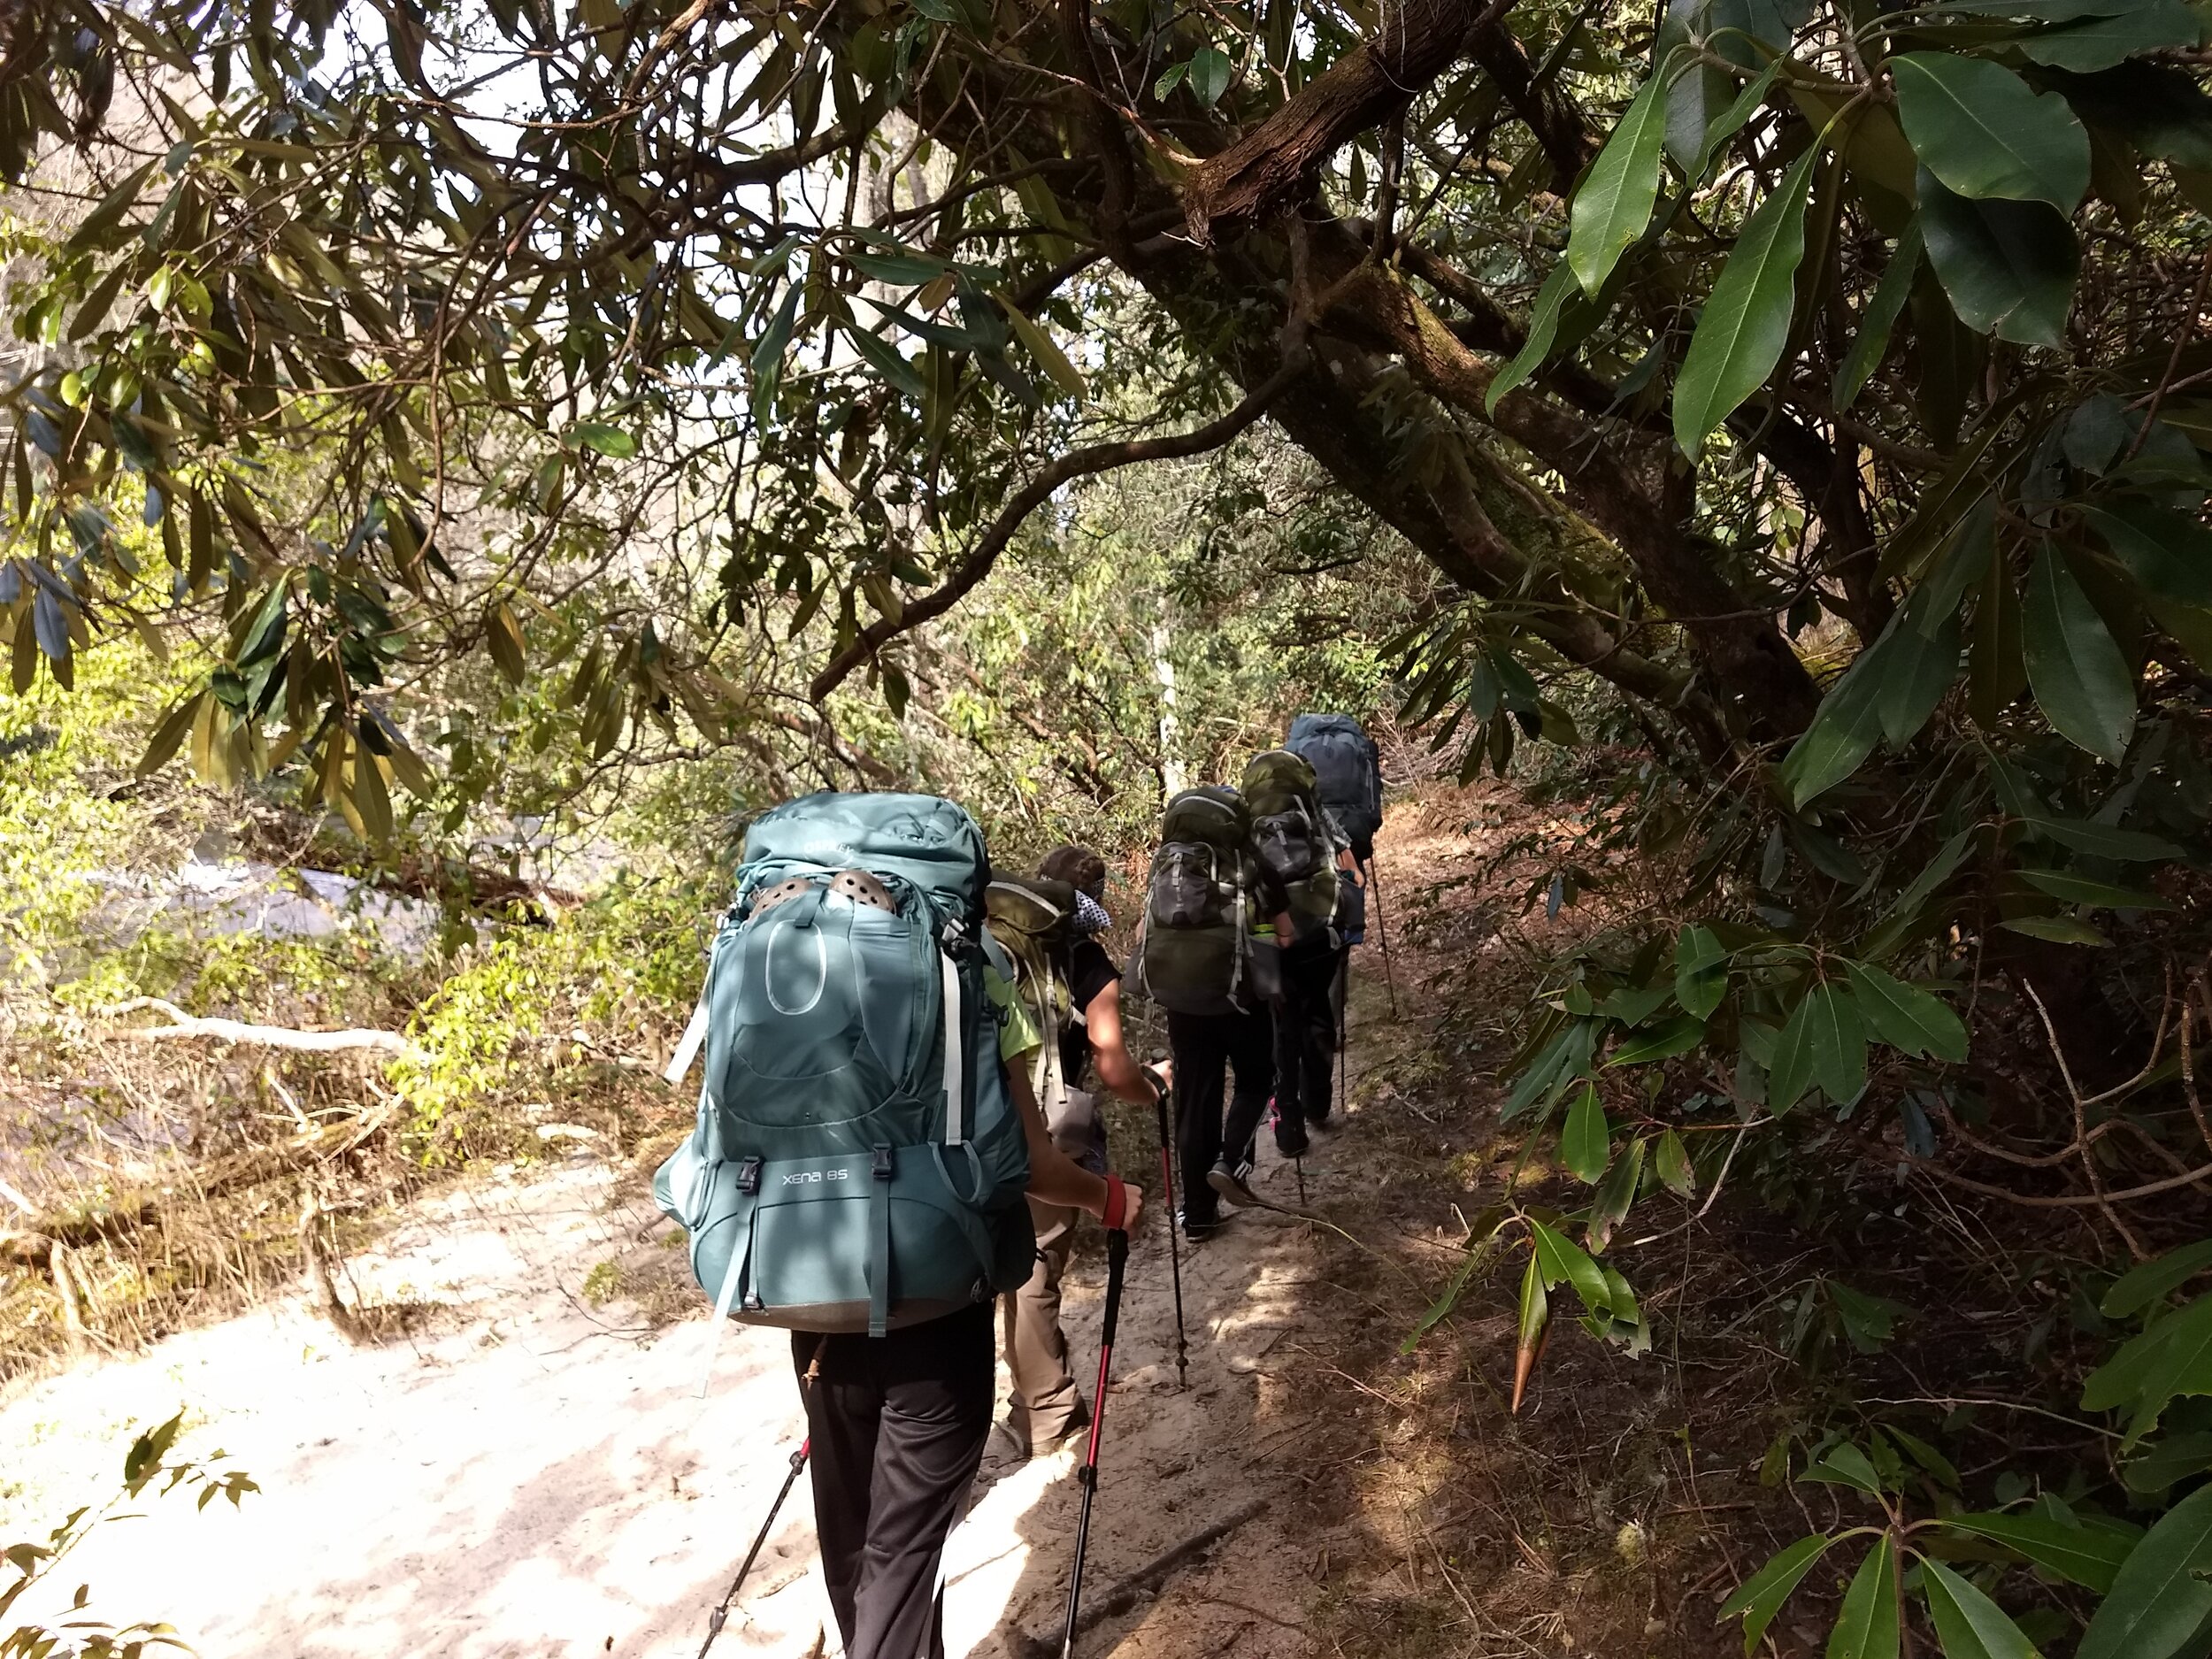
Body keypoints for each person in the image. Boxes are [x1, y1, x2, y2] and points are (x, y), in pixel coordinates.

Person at [794, 935, 1143, 1659]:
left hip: (813, 1299)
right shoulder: (970, 964)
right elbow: (1031, 1161)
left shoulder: (794, 962)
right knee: (906, 1551)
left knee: (853, 1533)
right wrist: (1107, 1197)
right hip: (936, 1299)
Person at [994, 845, 1171, 1463]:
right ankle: (1045, 1410)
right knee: (1035, 1264)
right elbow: (1113, 1064)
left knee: (992, 1264)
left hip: (978, 1117)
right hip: (1047, 1113)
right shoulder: (1088, 960)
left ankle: (1014, 1402)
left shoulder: (991, 945)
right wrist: (1155, 1086)